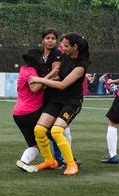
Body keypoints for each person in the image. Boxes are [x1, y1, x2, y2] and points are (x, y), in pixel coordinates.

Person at [28, 32, 89, 175]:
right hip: (58, 99)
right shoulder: (66, 58)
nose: (62, 47)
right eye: (62, 44)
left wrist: (41, 80)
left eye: (66, 45)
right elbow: (59, 77)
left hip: (72, 102)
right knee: (39, 130)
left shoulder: (81, 66)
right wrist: (46, 78)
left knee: (56, 131)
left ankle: (72, 164)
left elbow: (62, 85)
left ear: (75, 47)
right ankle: (50, 161)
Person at [12, 48, 45, 172]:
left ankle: (24, 161)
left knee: (34, 145)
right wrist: (51, 75)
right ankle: (66, 160)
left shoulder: (23, 69)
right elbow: (34, 88)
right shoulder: (31, 71)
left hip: (18, 113)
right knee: (56, 131)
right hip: (31, 111)